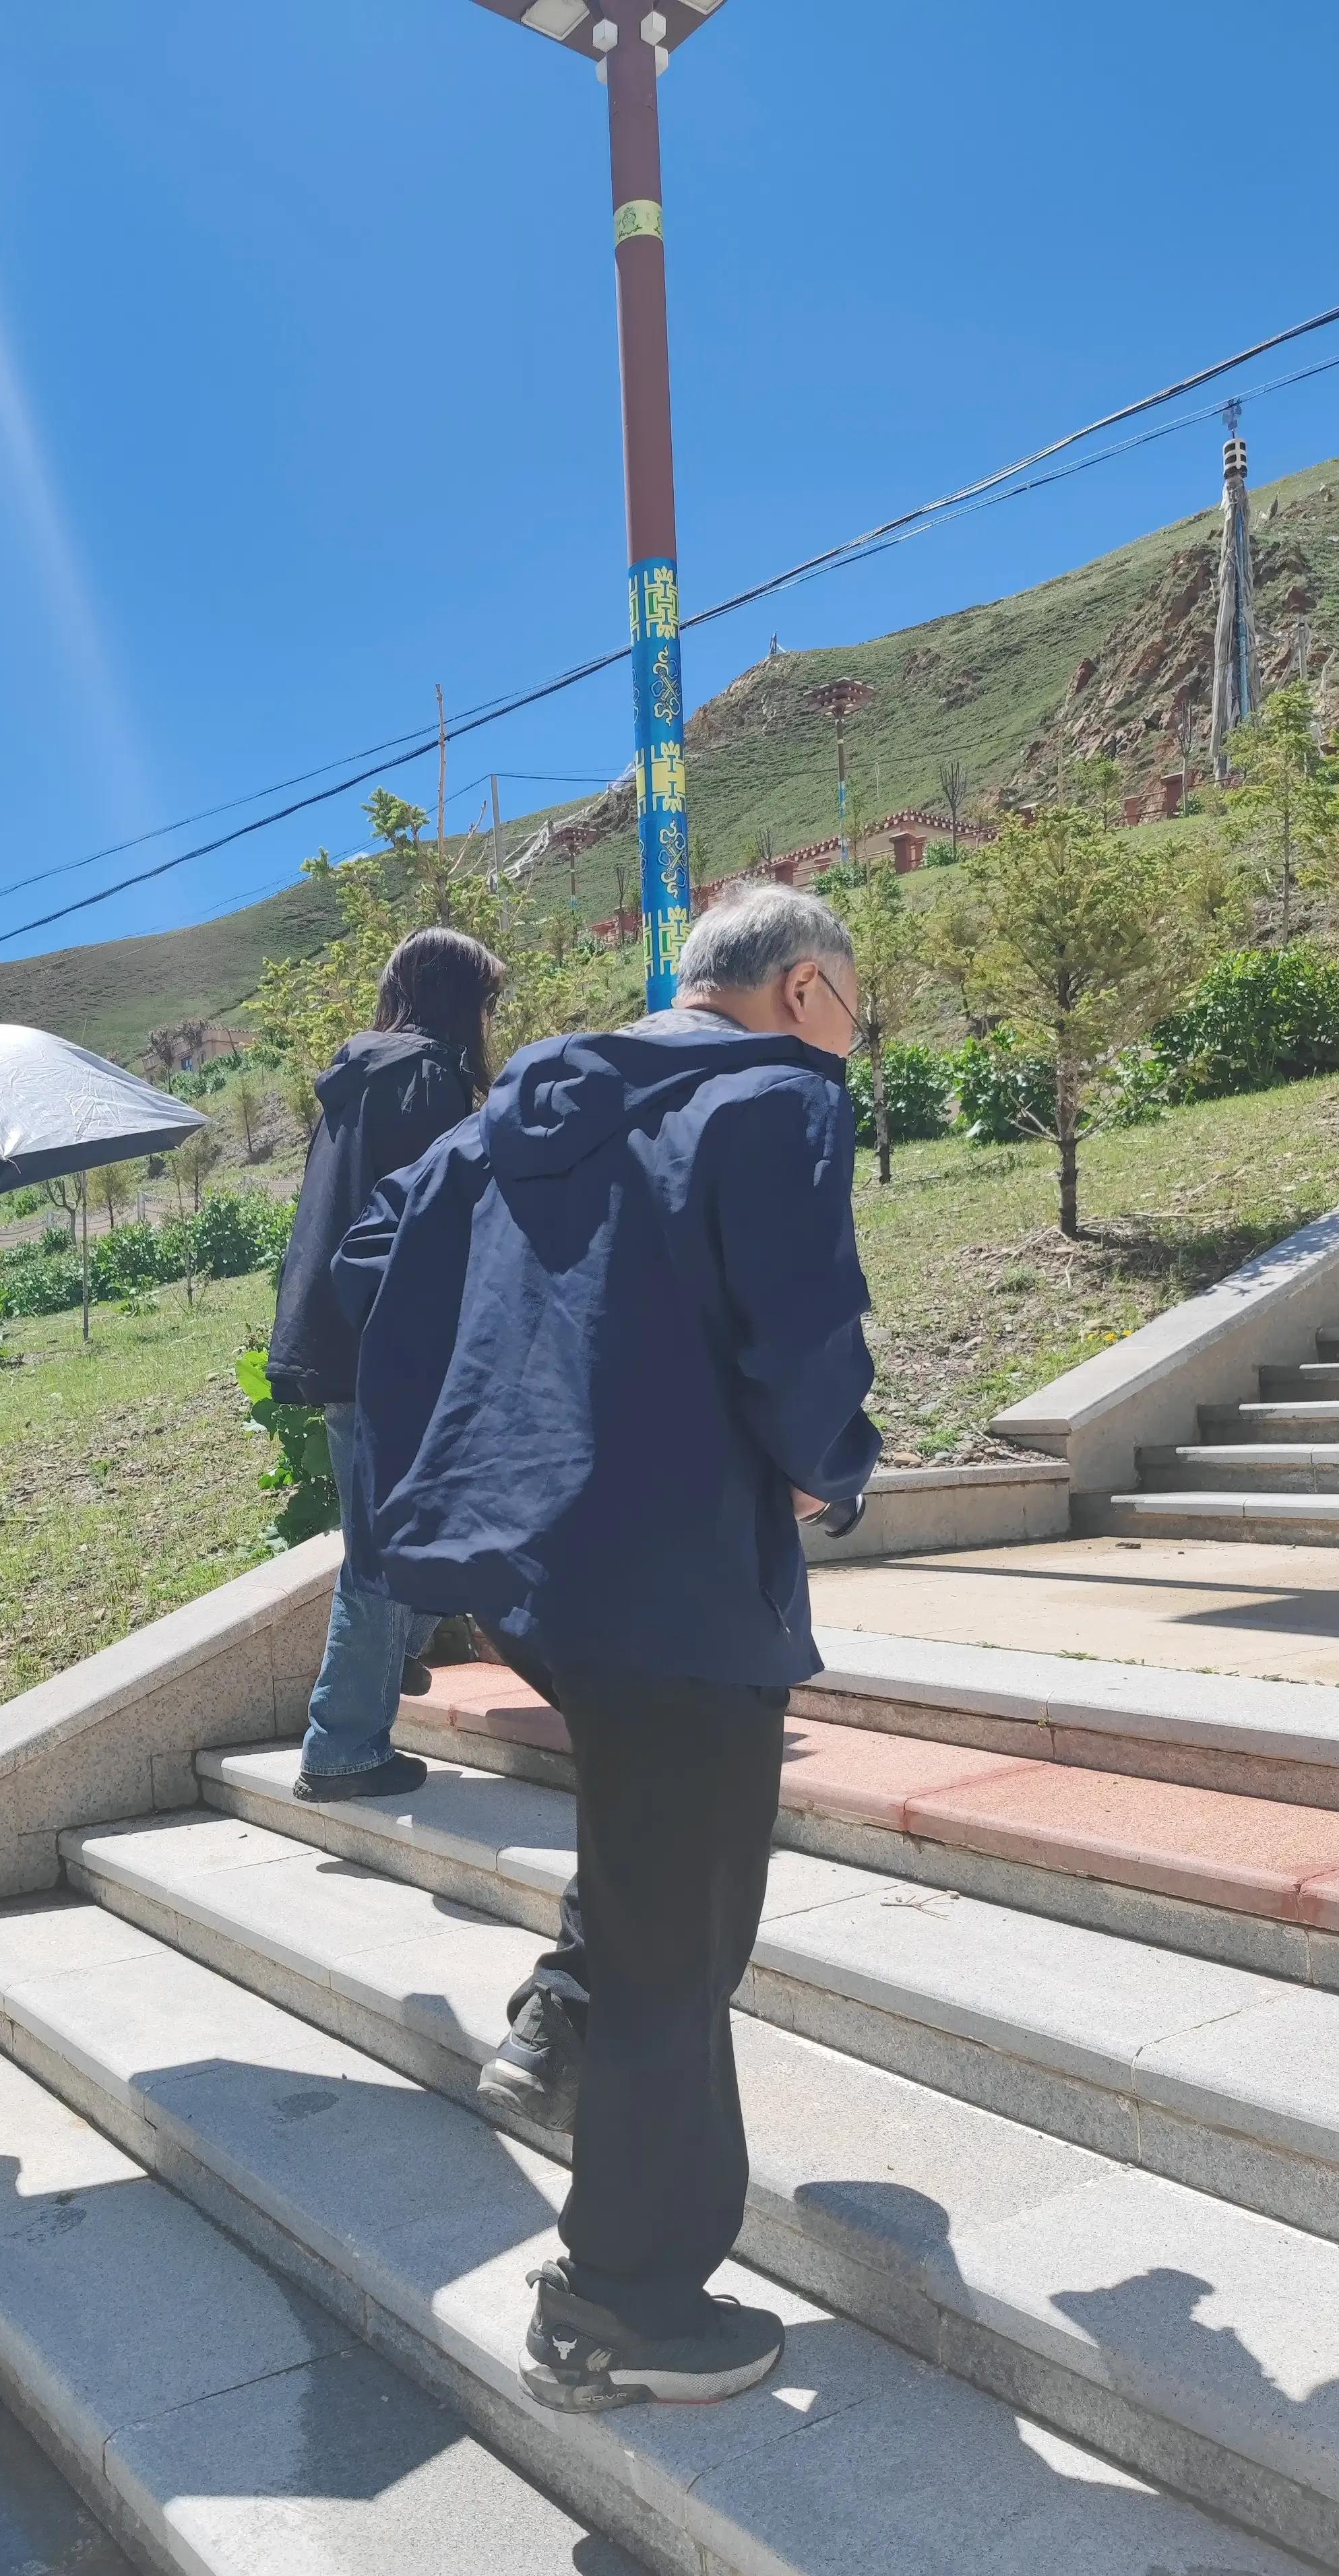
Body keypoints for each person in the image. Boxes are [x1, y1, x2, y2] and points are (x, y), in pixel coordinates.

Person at [332, 887, 879, 2410]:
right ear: (806, 987)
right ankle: (619, 2304)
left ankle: (567, 2010)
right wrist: (831, 1460)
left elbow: (369, 1262)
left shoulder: (529, 1106)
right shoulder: (778, 1097)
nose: (851, 1029)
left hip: (540, 1565)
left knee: (655, 1871)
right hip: (683, 1574)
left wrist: (507, 1410)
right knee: (685, 1932)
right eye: (852, 1001)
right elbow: (803, 1330)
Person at [269, 926, 504, 1802]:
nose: (490, 1021)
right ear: (457, 1000)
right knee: (386, 1550)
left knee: (421, 1525)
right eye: (486, 1001)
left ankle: (394, 1652)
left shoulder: (355, 1082)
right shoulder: (429, 1081)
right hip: (399, 1347)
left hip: (344, 1339)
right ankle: (342, 1740)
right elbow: (445, 1223)